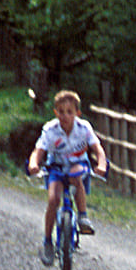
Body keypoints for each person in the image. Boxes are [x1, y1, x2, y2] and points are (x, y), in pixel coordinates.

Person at [26, 89, 108, 261]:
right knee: (53, 199)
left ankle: (83, 217)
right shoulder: (50, 130)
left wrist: (101, 164)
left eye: (69, 112)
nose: (65, 116)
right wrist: (34, 164)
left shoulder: (84, 128)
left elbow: (98, 149)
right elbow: (38, 151)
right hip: (56, 167)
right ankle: (48, 241)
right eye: (61, 112)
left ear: (77, 113)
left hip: (77, 166)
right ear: (55, 112)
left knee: (75, 173)